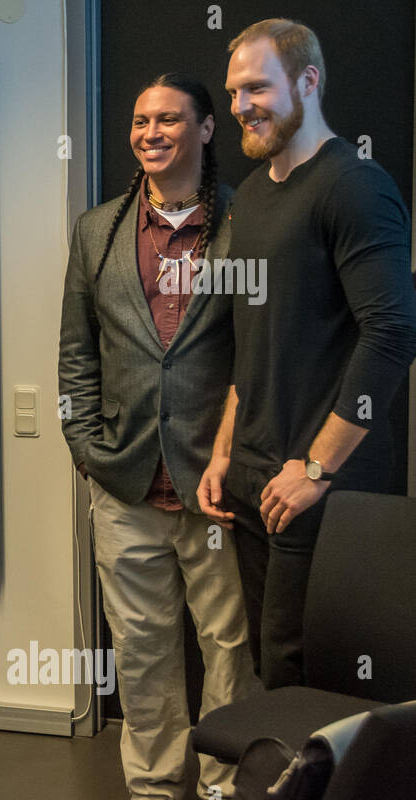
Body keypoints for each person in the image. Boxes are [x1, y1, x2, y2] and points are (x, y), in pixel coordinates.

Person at [59, 75, 258, 800]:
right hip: (124, 481)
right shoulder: (98, 230)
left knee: (229, 649)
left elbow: (260, 351)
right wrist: (85, 446)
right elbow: (76, 354)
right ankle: (154, 792)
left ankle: (224, 789)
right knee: (141, 653)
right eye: (141, 120)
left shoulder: (248, 222)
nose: (150, 132)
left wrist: (240, 454)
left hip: (217, 483)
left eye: (169, 119)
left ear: (206, 130)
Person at [198, 19, 416, 689]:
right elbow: (254, 337)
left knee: (310, 680)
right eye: (234, 92)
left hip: (318, 486)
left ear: (308, 81)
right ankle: (280, 796)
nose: (240, 106)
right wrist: (224, 451)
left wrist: (318, 468)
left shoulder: (354, 185)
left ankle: (323, 799)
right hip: (255, 479)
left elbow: (393, 334)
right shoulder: (255, 196)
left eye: (257, 87)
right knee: (272, 671)